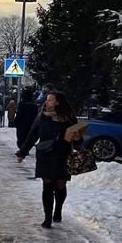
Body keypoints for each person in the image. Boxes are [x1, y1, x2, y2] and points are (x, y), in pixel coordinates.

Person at [16, 91, 81, 228]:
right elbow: (33, 135)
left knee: (60, 185)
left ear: (58, 102)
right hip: (45, 154)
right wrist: (22, 152)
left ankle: (58, 210)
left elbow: (78, 138)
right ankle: (47, 217)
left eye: (50, 100)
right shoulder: (42, 117)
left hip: (63, 155)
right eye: (47, 100)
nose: (47, 102)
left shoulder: (68, 117)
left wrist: (77, 138)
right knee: (47, 186)